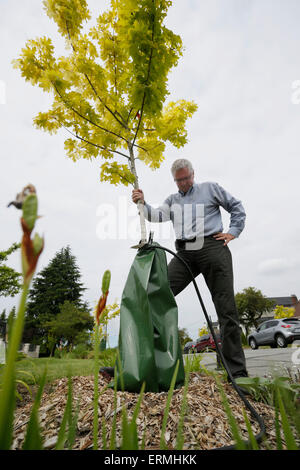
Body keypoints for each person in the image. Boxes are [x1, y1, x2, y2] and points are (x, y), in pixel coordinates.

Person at [132, 158, 248, 383]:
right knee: (156, 293)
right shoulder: (172, 200)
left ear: (193, 174)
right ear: (174, 180)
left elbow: (236, 207)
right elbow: (156, 216)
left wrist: (233, 231)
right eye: (179, 180)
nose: (184, 183)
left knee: (226, 309)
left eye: (187, 178)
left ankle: (238, 376)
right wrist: (143, 203)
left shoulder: (210, 188)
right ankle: (148, 363)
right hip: (185, 253)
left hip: (212, 246)